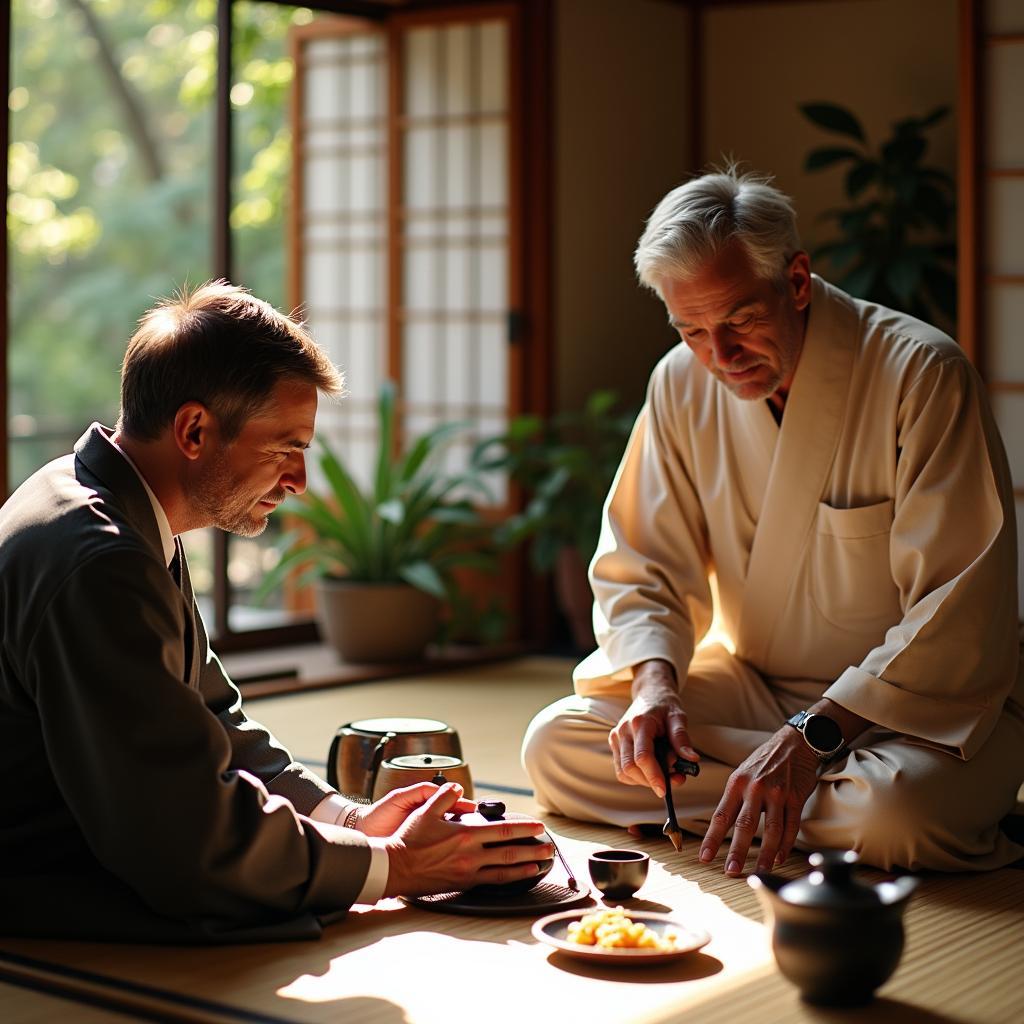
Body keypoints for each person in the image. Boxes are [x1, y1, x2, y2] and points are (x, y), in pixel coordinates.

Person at [0, 281, 551, 942]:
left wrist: (346, 819)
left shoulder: (107, 503)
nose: (299, 480)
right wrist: (397, 867)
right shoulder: (102, 559)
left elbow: (211, 717)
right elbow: (185, 840)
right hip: (36, 880)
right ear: (195, 430)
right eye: (285, 447)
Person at [522, 168, 1024, 876]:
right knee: (557, 747)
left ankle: (764, 801)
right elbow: (644, 562)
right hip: (755, 692)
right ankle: (771, 803)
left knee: (896, 813)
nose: (718, 358)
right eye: (691, 329)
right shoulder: (679, 381)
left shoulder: (921, 373)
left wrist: (811, 737)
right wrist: (656, 690)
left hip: (912, 717)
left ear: (795, 280)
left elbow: (956, 611)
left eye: (739, 322)